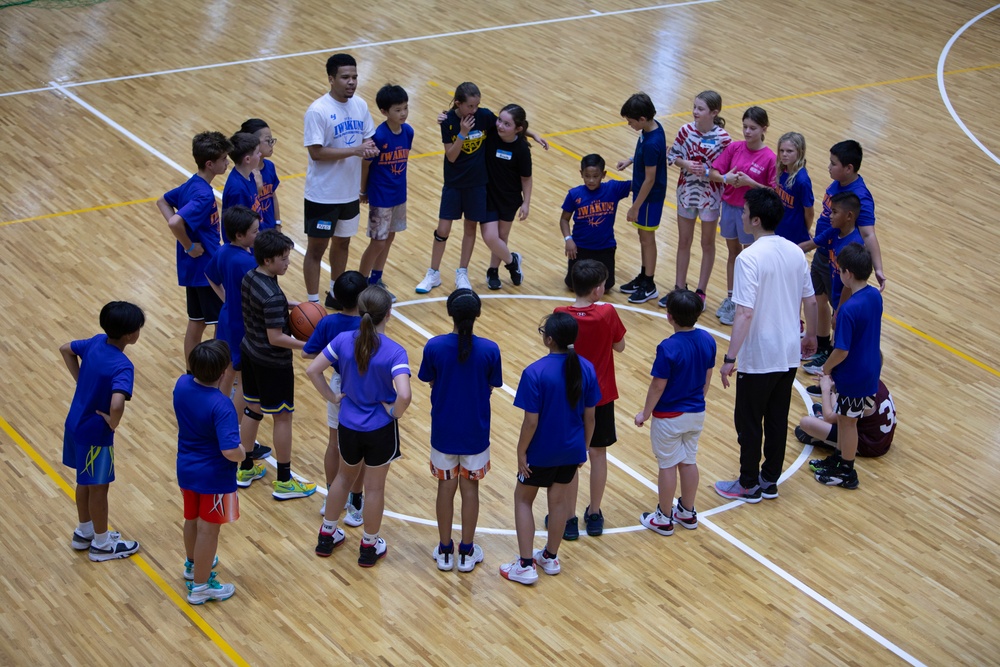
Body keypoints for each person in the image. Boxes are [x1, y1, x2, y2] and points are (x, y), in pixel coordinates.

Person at [713, 188, 817, 503]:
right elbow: (810, 301)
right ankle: (769, 480)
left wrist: (730, 357)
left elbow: (744, 312)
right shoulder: (796, 252)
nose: (741, 215)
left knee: (748, 421)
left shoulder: (748, 258)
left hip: (759, 355)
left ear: (756, 220)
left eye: (744, 212)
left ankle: (747, 483)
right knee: (776, 419)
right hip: (788, 353)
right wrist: (811, 336)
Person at [307, 286, 411, 567]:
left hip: (349, 425)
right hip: (380, 428)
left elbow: (312, 369)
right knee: (374, 489)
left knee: (343, 478)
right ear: (388, 314)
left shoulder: (342, 340)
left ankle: (327, 535)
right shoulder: (394, 351)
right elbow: (404, 394)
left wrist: (331, 397)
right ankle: (369, 545)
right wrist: (394, 412)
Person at [415, 83, 546, 294]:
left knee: (470, 228)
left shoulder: (483, 116)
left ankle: (462, 272)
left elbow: (509, 123)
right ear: (458, 103)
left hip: (477, 185)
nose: (474, 110)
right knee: (443, 230)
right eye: (470, 106)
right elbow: (451, 156)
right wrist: (463, 133)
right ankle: (433, 273)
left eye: (477, 105)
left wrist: (532, 134)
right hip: (454, 184)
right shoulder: (448, 121)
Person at [500, 313, 600, 585]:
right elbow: (590, 417)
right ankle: (550, 557)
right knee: (558, 504)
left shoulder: (535, 372)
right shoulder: (587, 368)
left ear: (549, 339)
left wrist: (521, 453)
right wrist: (585, 447)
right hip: (571, 450)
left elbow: (531, 422)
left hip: (541, 453)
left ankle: (524, 565)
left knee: (523, 500)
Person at [418, 289, 502, 572]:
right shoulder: (490, 349)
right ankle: (466, 551)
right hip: (475, 434)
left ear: (449, 313)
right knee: (470, 490)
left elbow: (429, 380)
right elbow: (491, 385)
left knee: (445, 488)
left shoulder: (434, 346)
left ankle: (445, 550)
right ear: (478, 315)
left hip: (443, 432)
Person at [61, 301, 145, 562]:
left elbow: (65, 349)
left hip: (74, 423)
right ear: (130, 335)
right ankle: (101, 543)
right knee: (99, 487)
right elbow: (117, 403)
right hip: (95, 433)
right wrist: (113, 421)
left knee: (83, 481)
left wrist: (80, 380)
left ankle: (83, 531)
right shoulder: (122, 365)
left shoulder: (97, 341)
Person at [236, 229, 316, 500]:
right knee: (282, 418)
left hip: (250, 352)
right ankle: (284, 481)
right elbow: (277, 337)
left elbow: (264, 309)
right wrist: (307, 345)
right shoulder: (271, 296)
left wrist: (290, 304)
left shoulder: (252, 276)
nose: (288, 262)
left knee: (252, 410)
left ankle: (245, 468)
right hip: (271, 362)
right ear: (268, 260)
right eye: (283, 258)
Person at [553, 260, 626, 537]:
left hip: (568, 394)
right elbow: (620, 346)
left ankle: (569, 519)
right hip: (601, 395)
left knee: (571, 457)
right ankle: (594, 513)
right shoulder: (607, 313)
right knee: (598, 454)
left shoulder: (560, 313)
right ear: (597, 290)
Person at [635, 289, 715, 534]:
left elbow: (658, 385)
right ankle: (687, 512)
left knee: (667, 465)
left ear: (669, 316)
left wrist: (645, 413)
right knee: (688, 461)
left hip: (669, 417)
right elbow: (707, 375)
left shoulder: (668, 348)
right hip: (696, 412)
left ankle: (663, 517)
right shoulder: (708, 340)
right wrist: (699, 399)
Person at [802, 140, 885, 373]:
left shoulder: (861, 197)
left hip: (839, 261)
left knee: (839, 309)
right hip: (823, 252)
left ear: (849, 168)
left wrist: (878, 268)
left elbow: (868, 234)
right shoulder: (838, 183)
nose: (829, 167)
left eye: (833, 164)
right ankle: (821, 347)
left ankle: (835, 359)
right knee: (819, 299)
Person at [303, 53, 378, 309]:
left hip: (349, 193)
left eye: (355, 77)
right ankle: (313, 303)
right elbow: (316, 152)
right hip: (322, 195)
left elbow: (368, 139)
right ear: (331, 79)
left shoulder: (361, 106)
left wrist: (369, 148)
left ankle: (336, 293)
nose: (351, 82)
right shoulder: (318, 111)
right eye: (345, 77)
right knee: (316, 249)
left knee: (343, 242)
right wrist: (356, 150)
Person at [174, 340, 245, 604]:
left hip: (186, 469)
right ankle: (201, 588)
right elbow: (229, 450)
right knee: (209, 530)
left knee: (191, 520)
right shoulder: (222, 407)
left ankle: (192, 566)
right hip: (214, 476)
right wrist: (243, 453)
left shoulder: (181, 385)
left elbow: (213, 393)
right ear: (224, 372)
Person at [156, 131, 231, 365]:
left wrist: (187, 245)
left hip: (193, 269)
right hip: (205, 269)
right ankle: (218, 373)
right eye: (223, 160)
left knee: (196, 321)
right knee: (223, 322)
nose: (227, 163)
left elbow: (163, 201)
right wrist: (189, 246)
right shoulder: (203, 194)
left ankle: (193, 372)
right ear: (210, 164)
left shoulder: (192, 183)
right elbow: (174, 221)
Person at [811, 243, 883, 489]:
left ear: (848, 273)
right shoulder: (874, 296)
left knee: (849, 422)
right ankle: (839, 459)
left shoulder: (848, 310)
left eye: (839, 270)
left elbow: (841, 350)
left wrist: (827, 369)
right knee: (843, 418)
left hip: (854, 376)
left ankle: (847, 471)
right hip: (868, 370)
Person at [302, 270, 368, 524]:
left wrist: (331, 394)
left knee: (334, 442)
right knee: (360, 449)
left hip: (339, 384)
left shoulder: (328, 323)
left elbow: (308, 355)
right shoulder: (367, 323)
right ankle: (356, 501)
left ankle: (332, 496)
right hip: (365, 385)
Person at [708, 107, 777, 325]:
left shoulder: (770, 158)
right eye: (745, 127)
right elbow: (714, 172)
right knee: (733, 254)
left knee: (749, 259)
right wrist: (727, 178)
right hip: (729, 207)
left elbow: (772, 192)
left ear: (764, 128)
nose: (747, 132)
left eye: (753, 128)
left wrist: (750, 183)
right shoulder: (734, 148)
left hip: (751, 213)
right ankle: (731, 297)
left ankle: (746, 302)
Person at [665, 90, 731, 309]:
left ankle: (701, 292)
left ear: (714, 112)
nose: (695, 112)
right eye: (694, 107)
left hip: (710, 196)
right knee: (684, 241)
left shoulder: (723, 139)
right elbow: (672, 156)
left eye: (700, 109)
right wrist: (686, 165)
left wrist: (704, 169)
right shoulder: (685, 131)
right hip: (685, 193)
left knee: (707, 243)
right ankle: (679, 288)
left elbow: (724, 169)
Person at [204, 205, 260, 437]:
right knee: (245, 382)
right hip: (243, 324)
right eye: (255, 232)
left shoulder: (223, 251)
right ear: (240, 234)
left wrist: (226, 298)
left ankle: (216, 416)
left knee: (227, 373)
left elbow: (209, 275)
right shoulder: (246, 263)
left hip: (227, 318)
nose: (258, 235)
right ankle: (232, 427)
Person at [798, 192, 864, 375]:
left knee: (842, 340)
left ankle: (831, 380)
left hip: (847, 299)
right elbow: (810, 244)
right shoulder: (835, 231)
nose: (829, 215)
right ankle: (827, 366)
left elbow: (849, 286)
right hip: (837, 291)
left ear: (849, 216)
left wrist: (840, 310)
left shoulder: (853, 245)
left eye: (834, 212)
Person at [358, 84, 414, 301]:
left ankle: (376, 280)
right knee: (378, 241)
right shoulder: (378, 136)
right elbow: (366, 164)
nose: (403, 113)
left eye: (405, 108)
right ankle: (361, 284)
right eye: (398, 110)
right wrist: (363, 190)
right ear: (384, 111)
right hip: (381, 196)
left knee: (389, 238)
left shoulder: (408, 132)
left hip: (399, 195)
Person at [616, 92, 667, 304]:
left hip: (649, 198)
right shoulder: (652, 129)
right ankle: (644, 275)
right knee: (643, 237)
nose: (629, 124)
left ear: (642, 119)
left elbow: (650, 179)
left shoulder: (651, 142)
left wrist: (635, 207)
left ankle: (649, 284)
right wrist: (630, 160)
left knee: (647, 240)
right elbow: (647, 159)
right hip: (644, 196)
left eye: (630, 121)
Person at [559, 154, 631, 291]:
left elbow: (640, 182)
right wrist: (568, 239)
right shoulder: (574, 194)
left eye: (595, 176)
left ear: (603, 174)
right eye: (587, 176)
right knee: (573, 286)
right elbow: (564, 219)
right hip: (580, 249)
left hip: (605, 248)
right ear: (581, 174)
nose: (591, 180)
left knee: (607, 286)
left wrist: (633, 160)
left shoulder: (613, 188)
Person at [482, 103, 534, 290]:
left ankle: (493, 271)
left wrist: (526, 203)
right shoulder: (492, 134)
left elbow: (526, 179)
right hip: (488, 195)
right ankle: (512, 262)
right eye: (499, 120)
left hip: (509, 199)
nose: (500, 126)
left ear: (518, 129)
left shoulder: (521, 149)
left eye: (506, 124)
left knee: (501, 237)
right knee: (490, 236)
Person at [796, 374, 897, 459]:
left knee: (806, 423)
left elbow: (829, 418)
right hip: (880, 439)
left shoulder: (859, 391)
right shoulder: (872, 380)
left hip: (868, 445)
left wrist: (825, 389)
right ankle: (822, 416)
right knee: (836, 406)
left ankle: (828, 443)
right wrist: (834, 385)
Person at [240, 118, 282, 233]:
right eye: (268, 140)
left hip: (269, 231)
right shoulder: (244, 175)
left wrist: (277, 224)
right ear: (253, 142)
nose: (271, 144)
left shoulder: (269, 167)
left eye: (272, 140)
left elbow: (272, 195)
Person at [774, 132, 814, 244]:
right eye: (781, 151)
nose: (784, 154)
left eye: (789, 151)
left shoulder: (802, 180)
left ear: (800, 152)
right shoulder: (783, 171)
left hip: (793, 236)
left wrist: (804, 230)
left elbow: (809, 212)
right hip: (779, 228)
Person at [221, 132, 262, 221]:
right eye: (257, 152)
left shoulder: (250, 174)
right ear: (247, 159)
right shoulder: (238, 190)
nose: (260, 154)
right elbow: (241, 226)